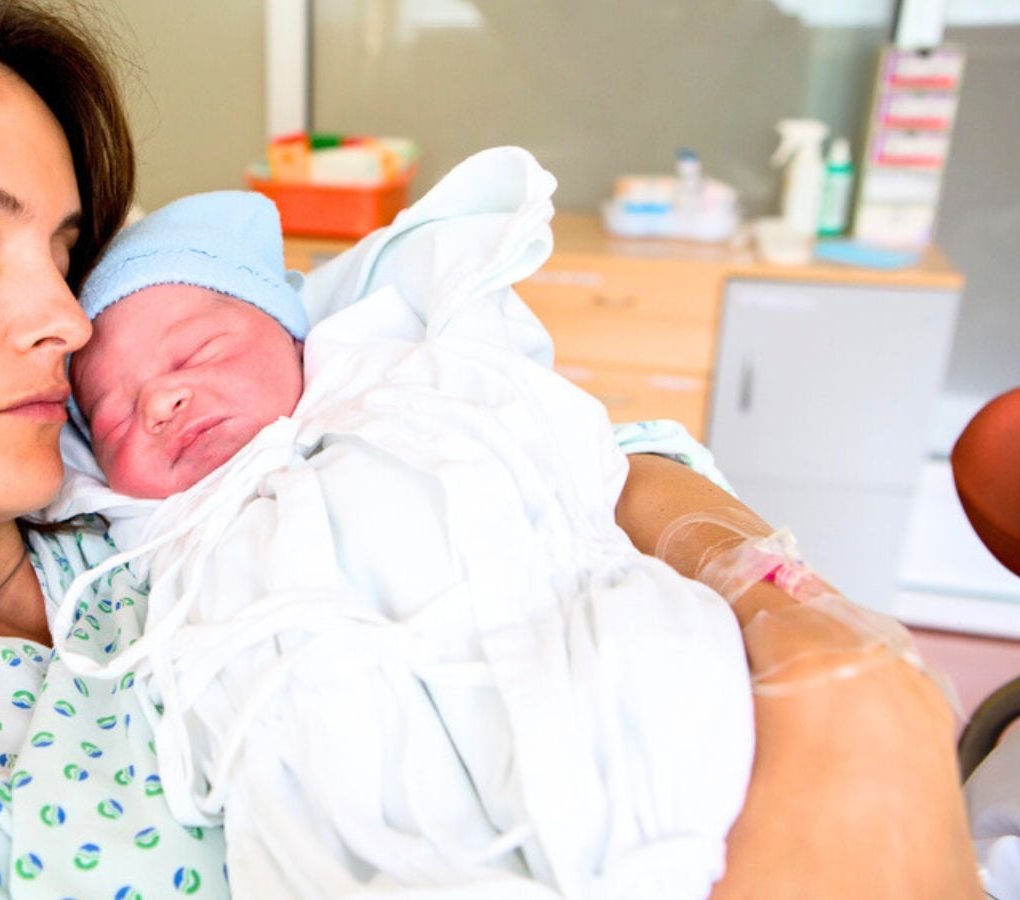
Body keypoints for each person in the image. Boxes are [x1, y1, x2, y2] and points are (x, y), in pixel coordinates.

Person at [0, 1, 978, 897]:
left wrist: (843, 682)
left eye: (66, 252)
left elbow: (568, 432)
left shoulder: (132, 482)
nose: (60, 322)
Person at [59, 171, 756, 896]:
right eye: (112, 416)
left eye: (199, 353)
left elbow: (578, 455)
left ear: (293, 338)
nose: (161, 400)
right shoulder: (148, 547)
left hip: (554, 670)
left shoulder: (405, 388)